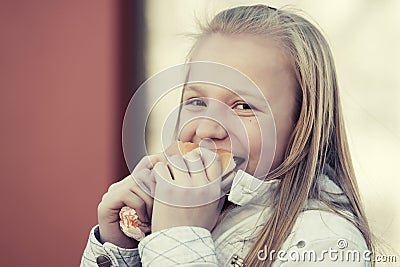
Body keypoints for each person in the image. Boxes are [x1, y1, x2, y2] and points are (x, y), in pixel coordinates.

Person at [81, 4, 374, 267]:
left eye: (243, 106)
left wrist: (178, 237)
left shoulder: (328, 243)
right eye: (196, 101)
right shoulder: (164, 213)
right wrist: (121, 250)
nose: (207, 129)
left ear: (302, 128)